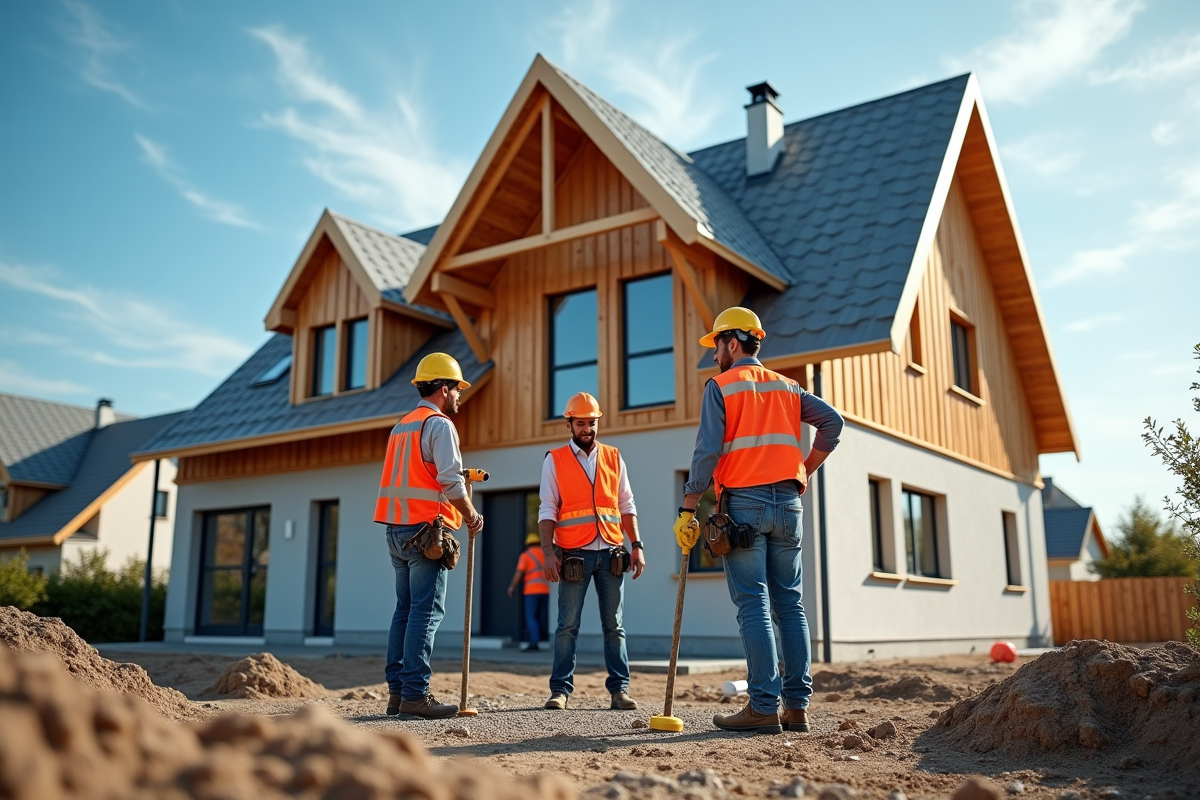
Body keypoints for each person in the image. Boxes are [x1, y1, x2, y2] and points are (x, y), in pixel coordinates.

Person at [677, 307, 844, 734]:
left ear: (732, 342)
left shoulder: (722, 386)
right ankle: (797, 708)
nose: (714, 355)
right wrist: (805, 467)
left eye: (716, 345)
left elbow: (707, 451)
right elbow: (833, 422)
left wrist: (689, 504)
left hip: (744, 508)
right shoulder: (788, 387)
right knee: (791, 605)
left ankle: (763, 707)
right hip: (789, 504)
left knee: (755, 605)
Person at [374, 352, 485, 719]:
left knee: (404, 610)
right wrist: (470, 514)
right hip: (425, 532)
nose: (458, 396)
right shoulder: (439, 425)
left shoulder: (402, 425)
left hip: (396, 531)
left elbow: (416, 475)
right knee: (427, 611)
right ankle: (416, 695)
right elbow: (449, 481)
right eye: (456, 388)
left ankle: (398, 693)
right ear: (442, 387)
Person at [540, 392, 645, 711]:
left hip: (612, 552)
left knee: (615, 626)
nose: (588, 428)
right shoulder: (554, 459)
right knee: (567, 625)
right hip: (574, 555)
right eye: (582, 423)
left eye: (592, 422)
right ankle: (560, 691)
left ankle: (619, 690)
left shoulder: (614, 456)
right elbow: (547, 507)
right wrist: (548, 552)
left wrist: (636, 544)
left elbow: (626, 503)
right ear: (569, 424)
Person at [507, 532, 550, 651]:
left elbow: (519, 573)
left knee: (531, 617)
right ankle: (543, 638)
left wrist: (512, 587)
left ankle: (534, 643)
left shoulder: (526, 556)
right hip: (544, 590)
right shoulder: (544, 554)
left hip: (531, 591)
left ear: (528, 544)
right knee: (541, 616)